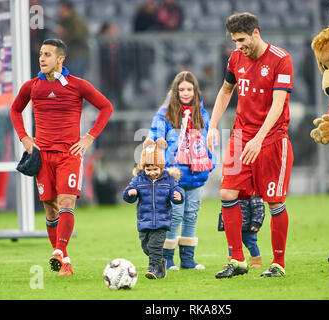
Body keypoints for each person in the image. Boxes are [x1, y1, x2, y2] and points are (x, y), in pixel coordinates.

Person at [10, 39, 113, 276]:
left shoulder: (78, 85)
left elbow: (106, 107)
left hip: (69, 154)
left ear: (60, 59)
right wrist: (25, 138)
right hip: (42, 156)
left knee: (67, 203)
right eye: (40, 54)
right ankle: (64, 261)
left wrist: (88, 138)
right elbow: (15, 110)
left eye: (47, 54)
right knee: (50, 210)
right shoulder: (32, 86)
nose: (42, 58)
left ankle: (59, 251)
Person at [207, 12, 294, 278]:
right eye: (234, 40)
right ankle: (237, 260)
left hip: (271, 138)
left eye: (242, 39)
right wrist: (212, 125)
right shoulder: (236, 57)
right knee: (226, 194)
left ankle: (278, 263)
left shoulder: (281, 60)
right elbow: (225, 91)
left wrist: (259, 138)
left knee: (274, 201)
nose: (238, 45)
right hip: (241, 136)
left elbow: (278, 104)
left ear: (256, 33)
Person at [147, 71, 214, 270]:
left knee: (191, 214)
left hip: (196, 174)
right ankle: (167, 259)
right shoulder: (165, 115)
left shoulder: (202, 115)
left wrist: (210, 163)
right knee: (175, 214)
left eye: (189, 89)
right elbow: (156, 137)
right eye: (182, 89)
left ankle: (188, 260)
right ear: (175, 92)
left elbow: (209, 142)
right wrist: (161, 164)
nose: (186, 93)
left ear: (195, 91)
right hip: (173, 174)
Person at [123, 139, 184, 279]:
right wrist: (130, 193)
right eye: (148, 169)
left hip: (161, 221)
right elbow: (127, 194)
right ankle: (161, 265)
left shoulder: (169, 180)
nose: (151, 173)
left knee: (155, 247)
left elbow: (177, 192)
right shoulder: (138, 180)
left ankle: (153, 269)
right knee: (147, 248)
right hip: (144, 221)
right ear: (143, 168)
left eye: (155, 169)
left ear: (161, 168)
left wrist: (178, 196)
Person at [218, 194, 265, 268]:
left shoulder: (252, 194)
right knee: (232, 244)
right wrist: (223, 224)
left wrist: (256, 223)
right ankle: (233, 262)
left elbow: (258, 208)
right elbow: (224, 210)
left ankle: (256, 261)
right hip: (233, 226)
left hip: (248, 226)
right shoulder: (230, 193)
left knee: (251, 243)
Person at [54, 1, 89, 78]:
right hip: (70, 55)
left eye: (61, 10)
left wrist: (64, 32)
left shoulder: (76, 21)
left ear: (67, 10)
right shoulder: (64, 21)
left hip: (77, 55)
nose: (59, 12)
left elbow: (81, 35)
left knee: (75, 79)